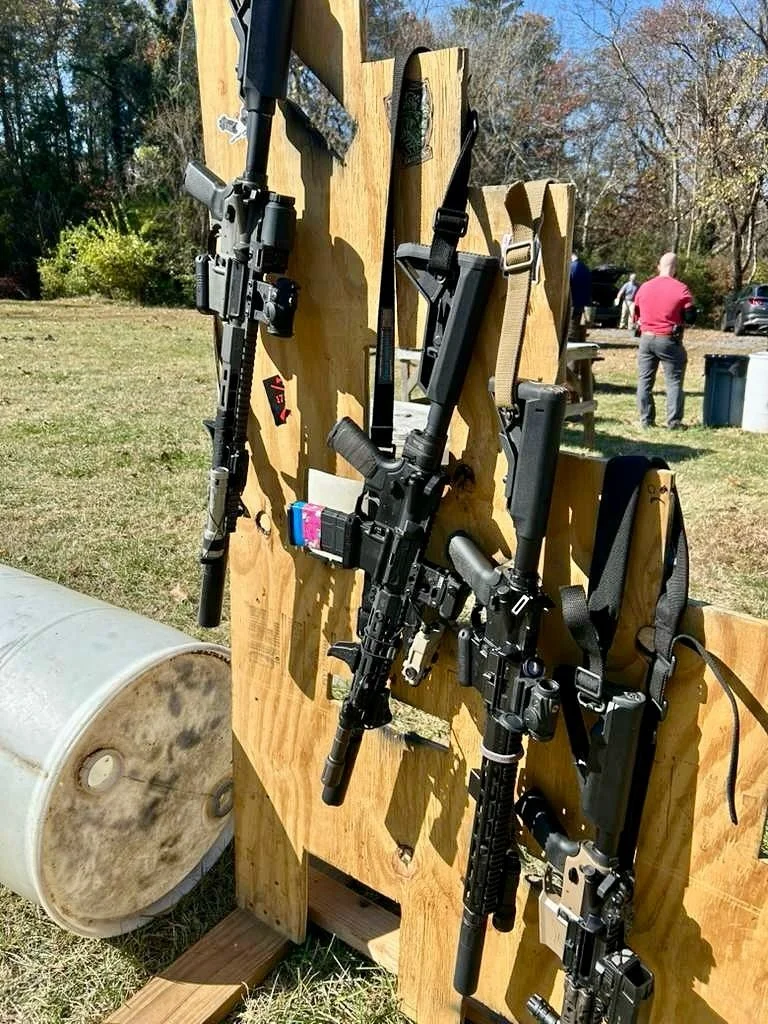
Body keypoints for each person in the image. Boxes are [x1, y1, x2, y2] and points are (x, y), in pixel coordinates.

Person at [633, 252, 697, 430]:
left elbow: (636, 313)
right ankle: (674, 422)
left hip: (646, 338)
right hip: (668, 339)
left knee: (644, 381)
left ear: (658, 266)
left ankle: (646, 420)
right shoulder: (681, 289)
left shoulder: (644, 287)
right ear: (675, 269)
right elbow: (691, 316)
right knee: (674, 381)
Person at [569, 252, 592, 342]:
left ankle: (570, 339)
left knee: (570, 321)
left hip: (572, 300)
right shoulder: (585, 268)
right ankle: (576, 338)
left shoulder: (571, 267)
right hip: (581, 300)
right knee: (576, 321)